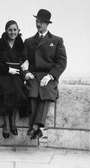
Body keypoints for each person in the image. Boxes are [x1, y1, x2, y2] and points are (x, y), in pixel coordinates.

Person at [21, 9, 67, 140]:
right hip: (34, 75)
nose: (38, 24)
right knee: (32, 92)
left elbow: (62, 62)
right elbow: (22, 60)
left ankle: (34, 127)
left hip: (49, 76)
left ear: (47, 24)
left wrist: (51, 76)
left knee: (45, 92)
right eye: (37, 21)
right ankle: (36, 127)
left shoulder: (57, 40)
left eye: (41, 22)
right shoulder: (29, 41)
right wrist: (26, 73)